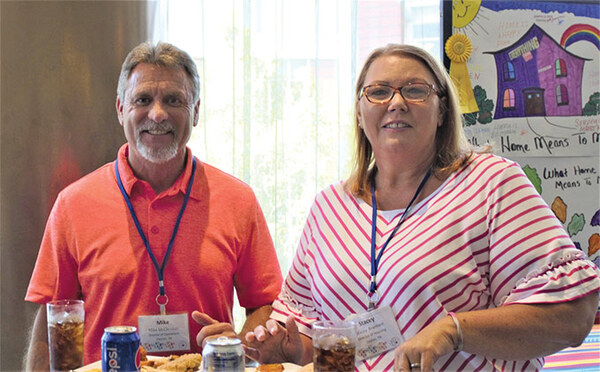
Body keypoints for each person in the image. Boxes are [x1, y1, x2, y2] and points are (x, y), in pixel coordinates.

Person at [243, 44, 600, 371]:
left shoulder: (491, 184)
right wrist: (290, 348)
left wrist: (453, 330)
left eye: (415, 90)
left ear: (442, 109)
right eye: (379, 92)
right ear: (358, 111)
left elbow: (573, 314)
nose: (396, 103)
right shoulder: (329, 207)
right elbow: (314, 335)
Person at [24, 41, 282, 369]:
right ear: (120, 109)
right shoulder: (73, 205)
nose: (157, 114)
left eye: (174, 100)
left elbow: (266, 303)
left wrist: (238, 345)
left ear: (197, 111)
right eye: (143, 100)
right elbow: (50, 323)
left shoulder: (238, 200)